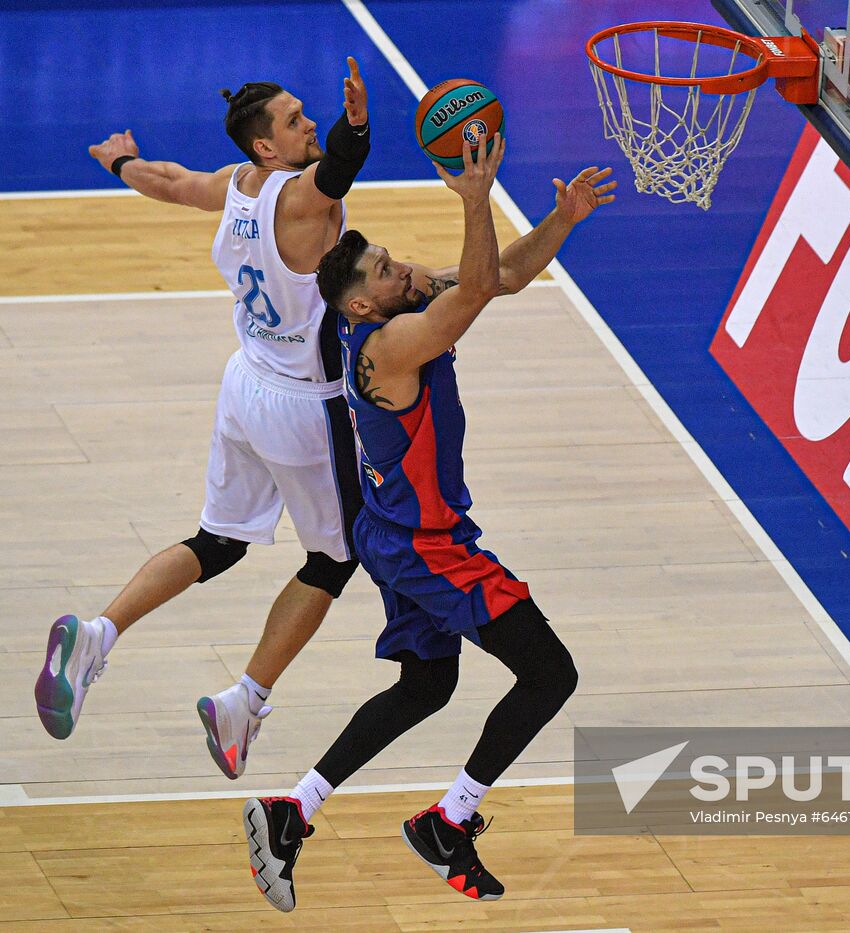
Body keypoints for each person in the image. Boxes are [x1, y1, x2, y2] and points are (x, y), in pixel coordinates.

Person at [240, 135, 617, 911]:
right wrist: (475, 202)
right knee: (551, 673)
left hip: (394, 529)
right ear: (360, 306)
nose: (402, 267)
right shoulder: (390, 347)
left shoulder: (396, 311)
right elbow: (475, 290)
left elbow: (497, 275)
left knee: (427, 684)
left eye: (390, 256)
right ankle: (450, 819)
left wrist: (562, 219)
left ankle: (293, 809)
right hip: (427, 546)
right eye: (385, 269)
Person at [34, 60, 373, 780]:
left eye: (307, 114)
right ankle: (242, 700)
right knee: (335, 558)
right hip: (305, 405)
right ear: (267, 149)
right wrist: (356, 124)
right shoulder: (300, 202)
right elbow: (342, 165)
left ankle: (97, 633)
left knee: (217, 541)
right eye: (294, 120)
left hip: (244, 384)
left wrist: (120, 159)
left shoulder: (233, 186)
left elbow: (166, 180)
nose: (307, 122)